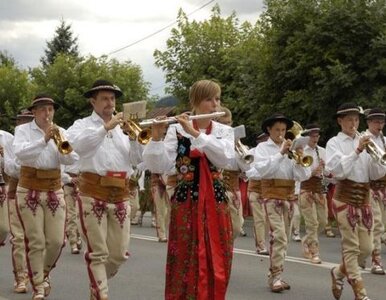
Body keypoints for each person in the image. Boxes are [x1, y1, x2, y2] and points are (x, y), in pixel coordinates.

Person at [143, 79, 234, 299]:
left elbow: (224, 159)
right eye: (209, 99)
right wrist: (156, 137)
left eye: (217, 99)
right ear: (195, 102)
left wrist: (195, 134)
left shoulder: (223, 130)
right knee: (184, 256)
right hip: (186, 202)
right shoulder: (175, 130)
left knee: (219, 255)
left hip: (216, 201)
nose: (215, 105)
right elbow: (159, 165)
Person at [66, 79, 143, 300]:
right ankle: (101, 294)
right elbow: (77, 147)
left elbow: (136, 161)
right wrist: (105, 128)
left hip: (120, 194)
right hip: (92, 192)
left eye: (112, 98)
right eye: (105, 98)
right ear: (93, 101)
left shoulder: (123, 127)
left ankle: (96, 285)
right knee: (98, 254)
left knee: (118, 255)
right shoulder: (81, 125)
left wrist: (135, 140)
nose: (110, 103)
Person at [13, 95, 78, 300]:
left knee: (57, 241)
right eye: (42, 109)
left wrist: (62, 147)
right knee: (36, 241)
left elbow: (72, 159)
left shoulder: (61, 130)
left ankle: (43, 274)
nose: (47, 114)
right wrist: (44, 140)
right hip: (28, 188)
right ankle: (39, 286)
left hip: (53, 187)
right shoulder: (22, 131)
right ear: (34, 112)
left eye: (50, 110)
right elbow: (21, 155)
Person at [326, 103, 386, 300]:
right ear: (340, 121)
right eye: (349, 119)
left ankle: (338, 272)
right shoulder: (334, 143)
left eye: (356, 119)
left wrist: (377, 160)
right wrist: (357, 151)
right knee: (351, 248)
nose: (353, 123)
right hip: (344, 198)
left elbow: (375, 174)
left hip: (364, 199)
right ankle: (361, 293)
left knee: (367, 248)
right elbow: (338, 172)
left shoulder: (366, 141)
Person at [246, 113, 311, 293]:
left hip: (289, 197)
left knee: (285, 239)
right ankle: (276, 277)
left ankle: (276, 275)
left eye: (283, 130)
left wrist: (299, 160)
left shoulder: (291, 149)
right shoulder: (262, 149)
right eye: (277, 130)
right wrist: (281, 153)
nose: (281, 134)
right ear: (269, 130)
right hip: (271, 196)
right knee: (279, 237)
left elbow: (303, 176)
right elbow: (262, 171)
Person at [5, 109, 34, 293]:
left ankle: (39, 275)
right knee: (19, 237)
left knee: (38, 238)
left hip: (40, 190)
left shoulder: (42, 138)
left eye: (28, 120)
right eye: (21, 121)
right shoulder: (11, 141)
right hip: (17, 188)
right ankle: (21, 278)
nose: (24, 124)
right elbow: (10, 167)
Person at [298, 123, 328, 264]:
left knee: (323, 221)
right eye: (312, 136)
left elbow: (328, 172)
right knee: (312, 223)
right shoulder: (301, 152)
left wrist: (327, 171)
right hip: (306, 189)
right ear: (306, 137)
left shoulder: (322, 151)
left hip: (319, 189)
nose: (315, 138)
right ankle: (314, 252)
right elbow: (298, 175)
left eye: (317, 136)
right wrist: (312, 172)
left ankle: (307, 240)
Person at [217, 106, 247, 239]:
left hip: (234, 190)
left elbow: (247, 169)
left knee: (236, 227)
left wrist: (237, 148)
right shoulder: (212, 141)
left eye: (229, 123)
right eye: (223, 123)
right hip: (216, 190)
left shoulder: (239, 146)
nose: (227, 126)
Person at [364, 108, 386, 275]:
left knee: (382, 224)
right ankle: (376, 260)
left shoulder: (384, 140)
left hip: (384, 187)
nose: (380, 125)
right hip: (370, 187)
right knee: (376, 224)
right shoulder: (364, 140)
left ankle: (363, 252)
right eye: (376, 121)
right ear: (369, 122)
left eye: (381, 121)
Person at [247, 132, 269, 254]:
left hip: (268, 190)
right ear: (258, 141)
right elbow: (248, 172)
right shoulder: (251, 153)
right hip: (255, 189)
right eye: (263, 139)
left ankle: (264, 242)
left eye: (267, 139)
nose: (266, 141)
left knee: (267, 219)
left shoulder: (272, 152)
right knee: (260, 218)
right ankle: (260, 245)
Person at [62, 160, 82, 254]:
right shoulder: (65, 147)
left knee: (80, 214)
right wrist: (69, 179)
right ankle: (73, 243)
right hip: (69, 185)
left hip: (83, 185)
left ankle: (77, 235)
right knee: (71, 214)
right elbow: (60, 170)